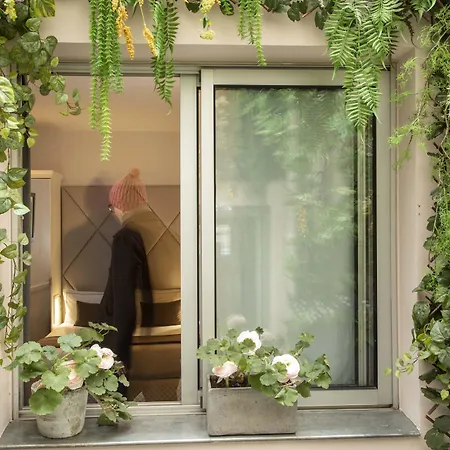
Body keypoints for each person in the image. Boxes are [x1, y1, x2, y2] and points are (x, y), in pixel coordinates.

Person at [98, 168, 153, 397]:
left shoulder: (124, 238)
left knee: (117, 393)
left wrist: (117, 347)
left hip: (116, 332)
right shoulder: (143, 233)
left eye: (112, 207)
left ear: (122, 205)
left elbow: (122, 295)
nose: (113, 213)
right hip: (126, 329)